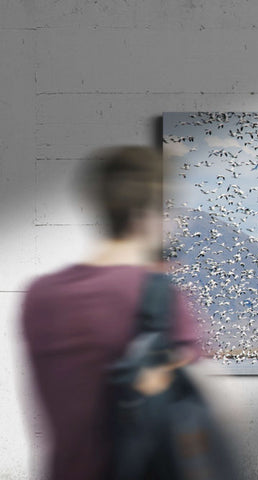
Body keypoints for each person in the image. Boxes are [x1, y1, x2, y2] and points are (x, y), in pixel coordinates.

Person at [21, 146, 202, 480]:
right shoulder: (158, 296)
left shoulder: (39, 296)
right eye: (170, 209)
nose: (177, 221)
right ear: (145, 213)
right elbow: (201, 415)